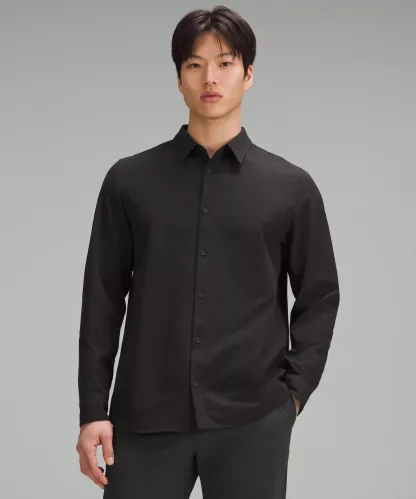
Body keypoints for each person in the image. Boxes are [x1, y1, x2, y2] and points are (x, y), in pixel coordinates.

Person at [76, 5, 340, 498]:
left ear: (248, 75)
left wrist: (292, 396)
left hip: (252, 421)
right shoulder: (129, 181)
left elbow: (320, 297)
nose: (210, 78)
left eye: (225, 63)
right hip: (143, 420)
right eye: (195, 65)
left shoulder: (291, 188)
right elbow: (102, 299)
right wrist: (93, 410)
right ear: (179, 79)